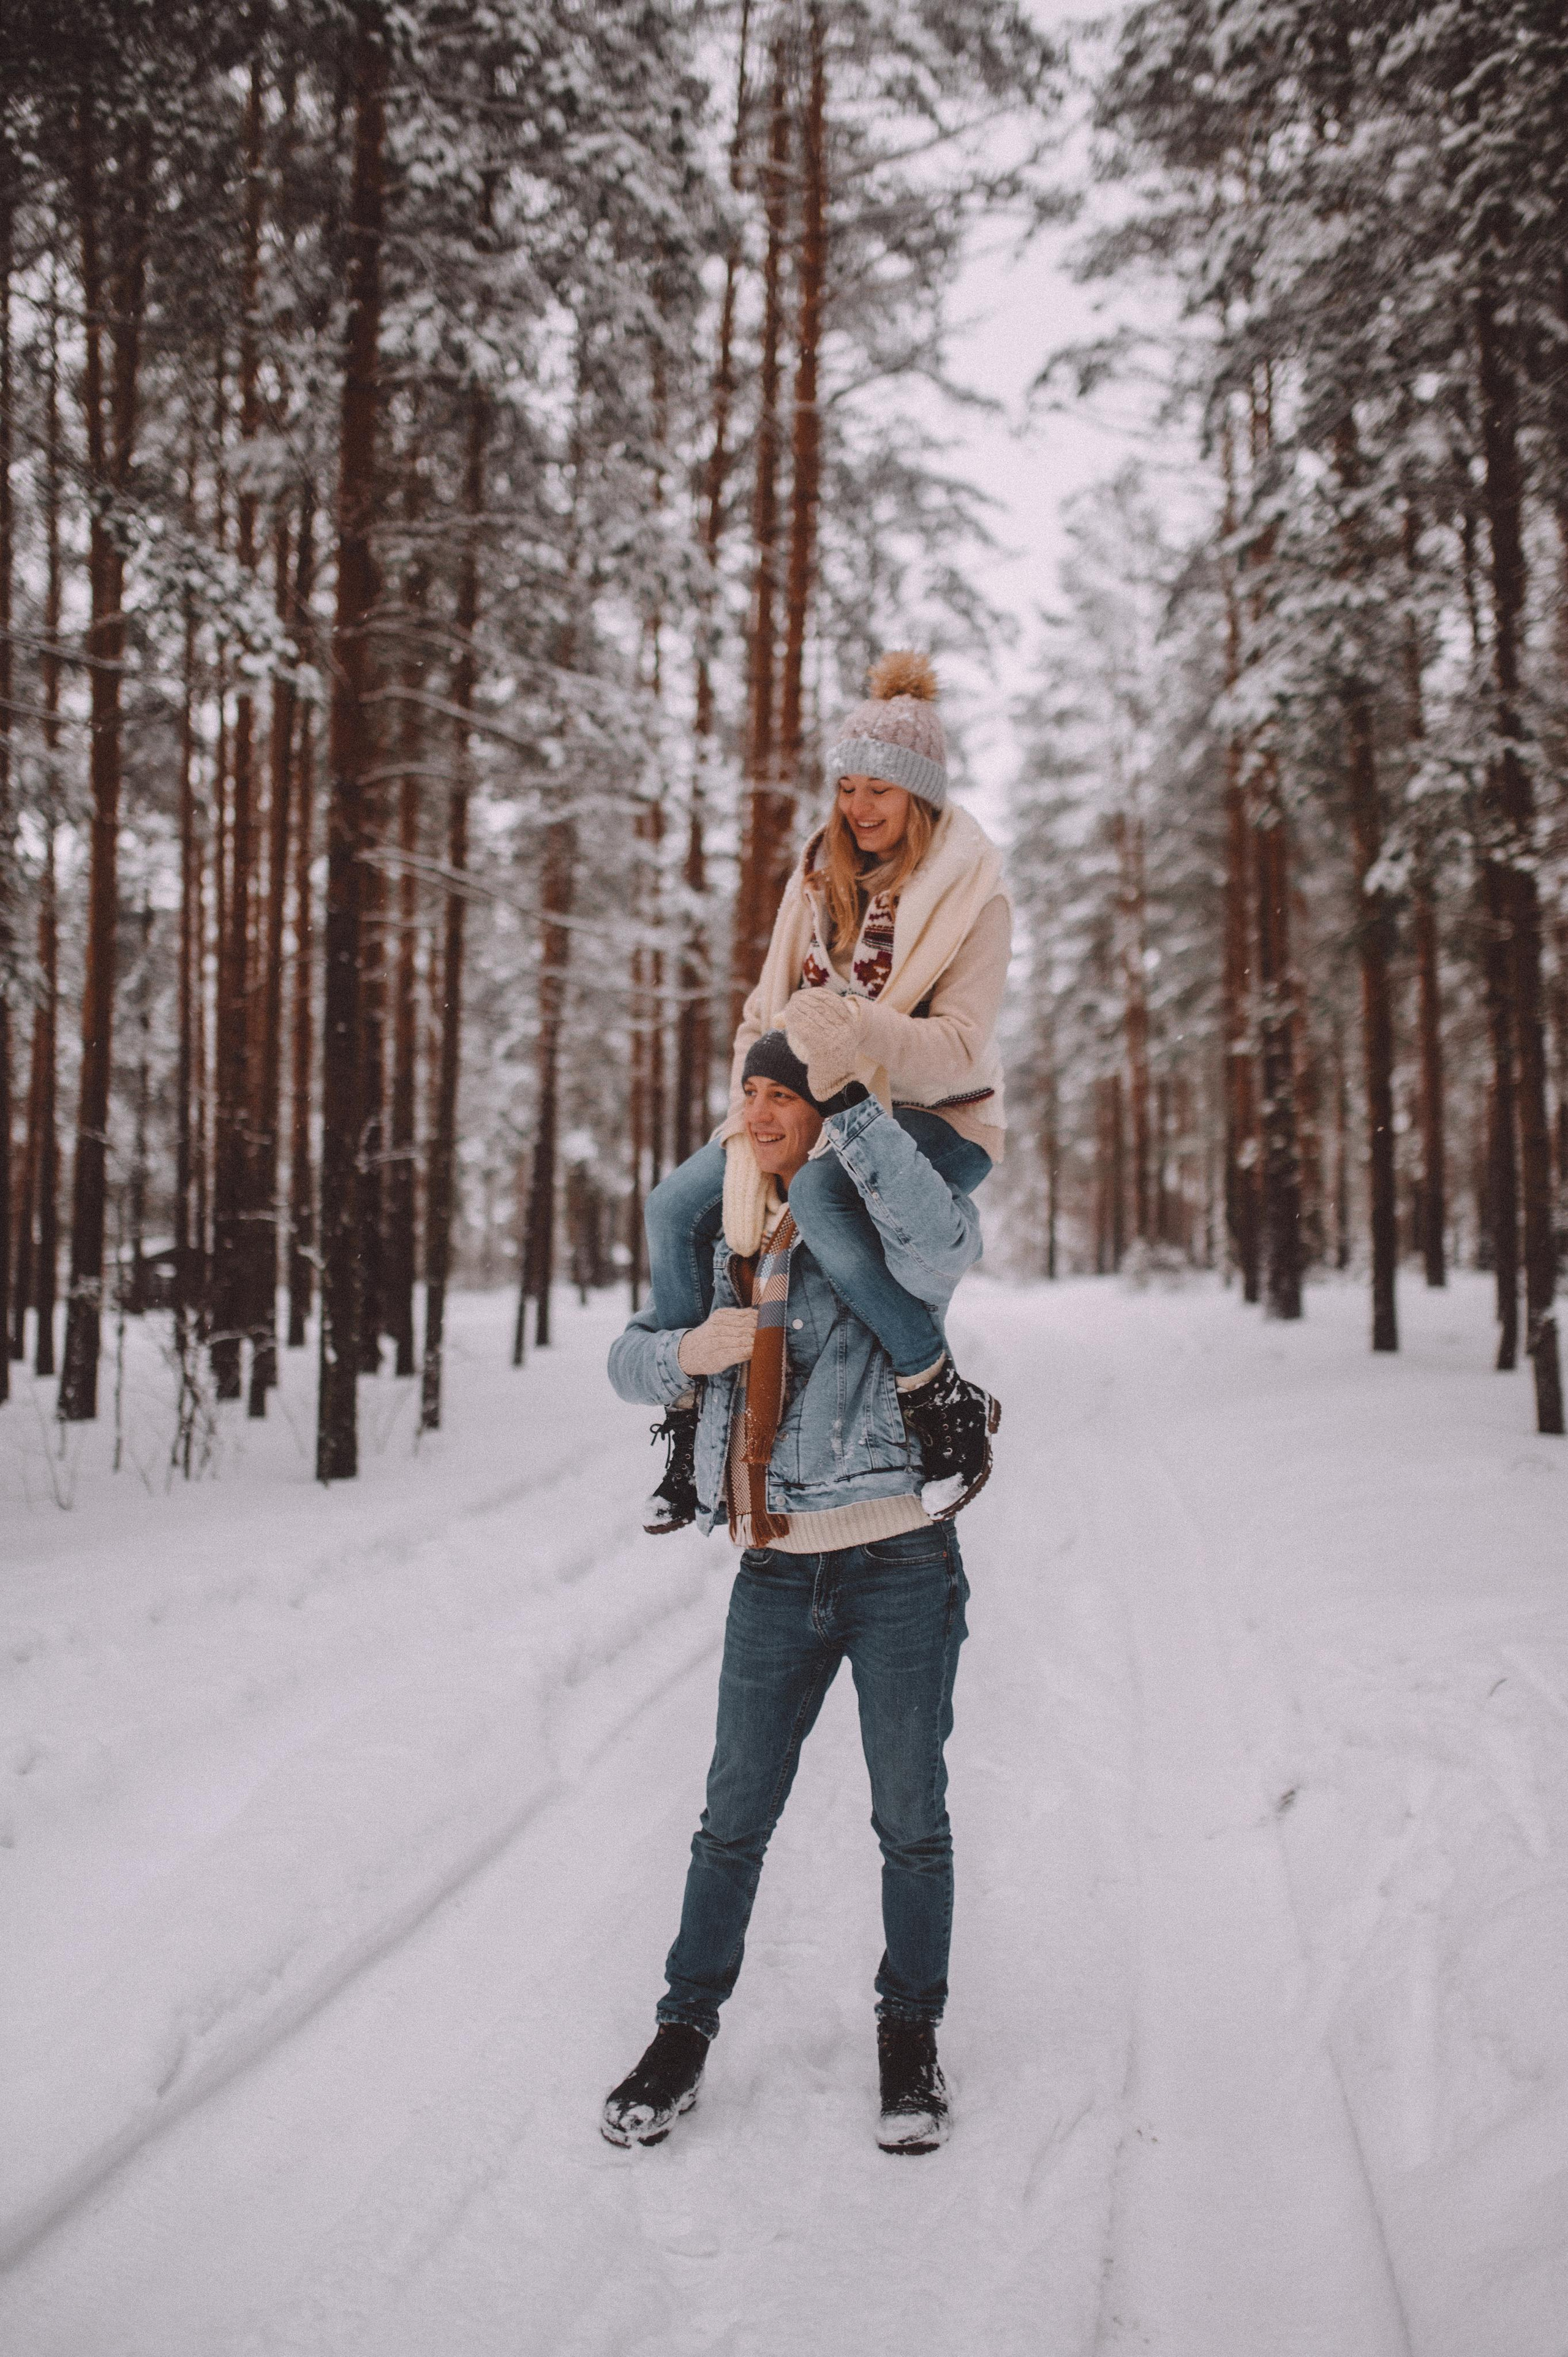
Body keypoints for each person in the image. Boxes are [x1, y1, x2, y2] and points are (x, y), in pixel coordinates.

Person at [602, 1028, 997, 2155]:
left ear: (825, 1112)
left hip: (900, 1568)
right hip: (774, 1569)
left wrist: (858, 1106)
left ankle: (908, 2039)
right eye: (751, 1094)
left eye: (788, 1095)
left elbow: (944, 1244)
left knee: (911, 1821)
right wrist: (693, 1352)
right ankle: (681, 2035)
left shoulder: (879, 1229)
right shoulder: (721, 1238)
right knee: (731, 1823)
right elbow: (627, 1355)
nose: (763, 1114)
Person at [641, 651, 1010, 1535]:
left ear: (919, 797)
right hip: (801, 1112)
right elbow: (760, 1015)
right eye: (848, 788)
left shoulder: (974, 900)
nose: (859, 808)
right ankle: (690, 1429)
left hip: (936, 1118)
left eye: (880, 791)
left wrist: (858, 1034)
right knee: (672, 1206)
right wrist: (751, 1110)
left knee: (822, 1195)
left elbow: (960, 1054)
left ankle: (937, 1393)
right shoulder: (815, 885)